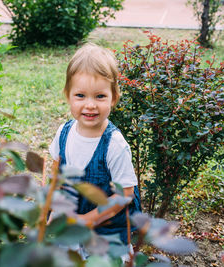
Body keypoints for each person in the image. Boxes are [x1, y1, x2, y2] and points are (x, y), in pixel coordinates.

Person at [49, 43, 141, 246]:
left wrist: (87, 220)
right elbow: (56, 173)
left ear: (113, 98)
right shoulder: (64, 133)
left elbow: (125, 195)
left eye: (100, 96)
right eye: (80, 95)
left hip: (106, 234)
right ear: (68, 96)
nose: (90, 105)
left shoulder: (114, 145)